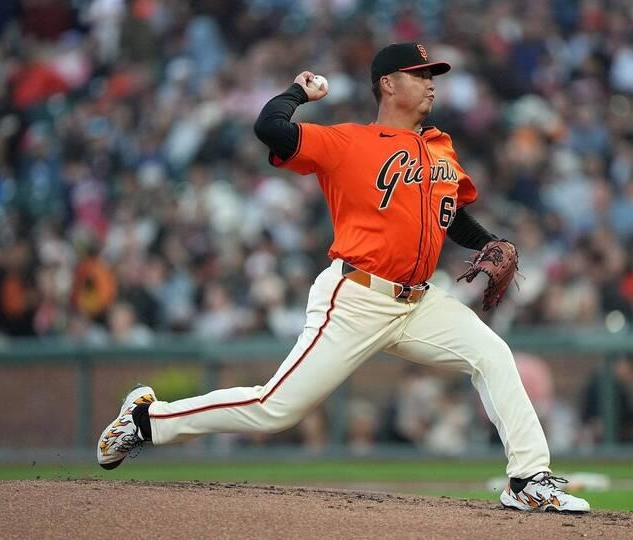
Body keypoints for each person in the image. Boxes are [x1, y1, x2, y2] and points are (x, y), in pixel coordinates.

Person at [96, 42, 589, 513]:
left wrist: (489, 242)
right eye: (419, 75)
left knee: (492, 355)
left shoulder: (440, 148)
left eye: (432, 75)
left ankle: (528, 480)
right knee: (276, 408)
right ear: (388, 84)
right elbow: (270, 128)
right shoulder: (347, 141)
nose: (431, 84)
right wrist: (298, 93)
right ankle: (145, 420)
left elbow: (451, 215)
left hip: (418, 303)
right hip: (356, 296)